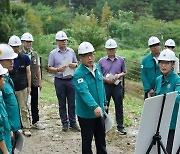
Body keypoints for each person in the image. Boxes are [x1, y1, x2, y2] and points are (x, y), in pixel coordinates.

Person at [73, 41, 107, 154]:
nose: (90, 58)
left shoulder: (97, 68)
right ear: (81, 58)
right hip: (86, 114)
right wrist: (94, 106)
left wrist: (104, 102)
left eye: (91, 54)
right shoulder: (79, 73)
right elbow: (84, 92)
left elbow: (101, 87)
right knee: (87, 141)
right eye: (86, 56)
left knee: (101, 139)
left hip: (100, 111)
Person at [48, 31, 80, 131]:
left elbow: (76, 63)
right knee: (62, 103)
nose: (64, 42)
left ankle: (73, 122)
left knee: (72, 102)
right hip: (59, 80)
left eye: (65, 40)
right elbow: (49, 67)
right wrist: (58, 69)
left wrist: (74, 65)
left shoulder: (71, 52)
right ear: (57, 41)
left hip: (70, 79)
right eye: (61, 41)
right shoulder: (53, 53)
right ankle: (64, 123)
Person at [154, 49, 180, 154]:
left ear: (173, 64)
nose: (163, 65)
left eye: (167, 63)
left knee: (169, 150)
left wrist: (165, 97)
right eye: (161, 62)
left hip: (172, 123)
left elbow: (178, 97)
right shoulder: (158, 79)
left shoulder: (177, 80)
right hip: (159, 122)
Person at [98, 38, 127, 135]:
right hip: (106, 86)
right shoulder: (101, 61)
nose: (111, 51)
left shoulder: (121, 60)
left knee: (119, 105)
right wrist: (105, 79)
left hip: (117, 85)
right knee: (105, 106)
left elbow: (124, 72)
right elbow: (98, 74)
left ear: (115, 49)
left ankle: (120, 126)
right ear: (106, 50)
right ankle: (104, 126)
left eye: (112, 49)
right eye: (109, 49)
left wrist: (119, 75)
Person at [8, 35, 32, 136]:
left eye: (17, 46)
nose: (15, 49)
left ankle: (26, 126)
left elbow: (28, 72)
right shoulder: (7, 59)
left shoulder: (24, 58)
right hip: (11, 87)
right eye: (13, 47)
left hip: (22, 86)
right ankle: (15, 127)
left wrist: (29, 86)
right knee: (13, 107)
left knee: (24, 107)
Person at [21, 32, 45, 130]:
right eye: (27, 42)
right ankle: (24, 122)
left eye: (30, 42)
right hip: (23, 83)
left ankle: (36, 121)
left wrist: (40, 81)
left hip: (34, 82)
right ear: (23, 42)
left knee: (34, 103)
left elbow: (38, 68)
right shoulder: (20, 54)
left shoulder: (35, 54)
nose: (29, 44)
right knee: (23, 103)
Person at [0, 44, 22, 152]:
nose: (12, 62)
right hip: (6, 128)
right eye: (8, 60)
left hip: (13, 125)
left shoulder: (7, 77)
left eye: (12, 59)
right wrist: (8, 129)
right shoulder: (1, 83)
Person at [0, 64, 12, 154]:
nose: (4, 79)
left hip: (6, 137)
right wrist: (5, 151)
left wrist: (9, 129)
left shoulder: (0, 95)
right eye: (2, 77)